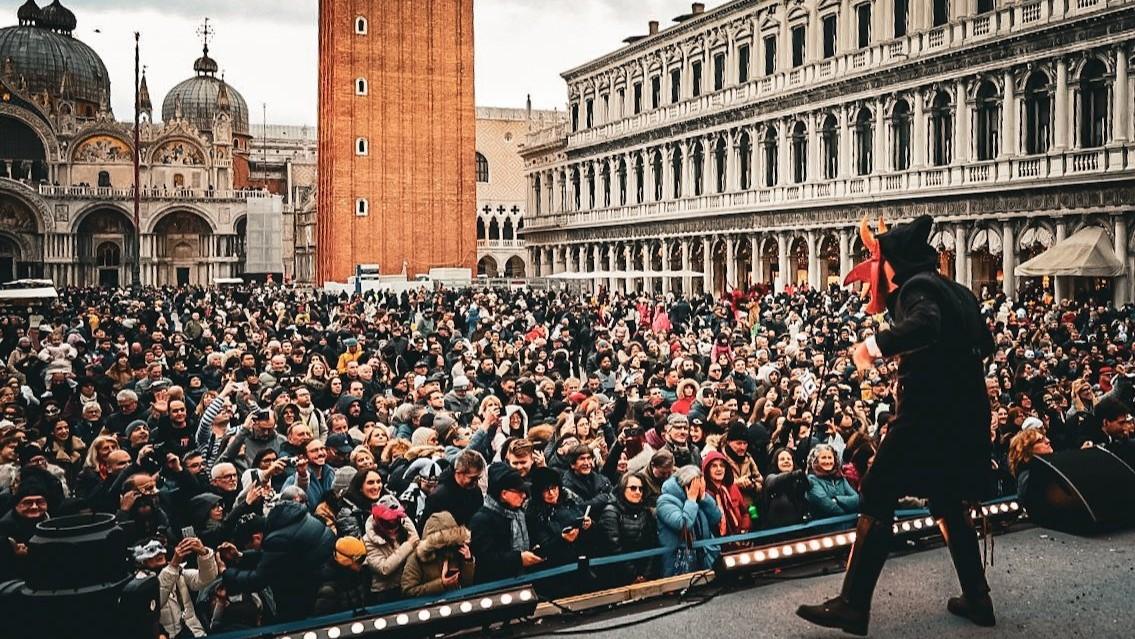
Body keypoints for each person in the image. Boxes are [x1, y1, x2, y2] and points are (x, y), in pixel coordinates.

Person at [798, 216, 997, 635]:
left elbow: (925, 324)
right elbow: (986, 343)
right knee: (946, 497)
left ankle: (853, 605)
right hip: (965, 413)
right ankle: (978, 599)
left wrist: (874, 345)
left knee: (877, 488)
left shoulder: (915, 287)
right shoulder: (959, 290)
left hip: (926, 414)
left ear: (893, 263)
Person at [222, 500, 335, 623]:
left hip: (319, 582)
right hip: (326, 564)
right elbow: (272, 557)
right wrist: (240, 556)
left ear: (256, 538)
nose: (254, 549)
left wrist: (226, 573)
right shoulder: (286, 522)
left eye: (251, 547)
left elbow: (259, 579)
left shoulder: (277, 540)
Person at [469, 462, 544, 584]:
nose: (524, 495)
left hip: (524, 579)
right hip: (497, 585)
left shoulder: (520, 513)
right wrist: (518, 559)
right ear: (504, 494)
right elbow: (486, 560)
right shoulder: (482, 520)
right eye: (519, 492)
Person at [133, 536, 219, 639]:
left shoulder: (178, 572)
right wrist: (173, 565)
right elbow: (158, 600)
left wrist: (204, 553)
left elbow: (206, 578)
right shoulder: (139, 583)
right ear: (142, 560)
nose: (159, 553)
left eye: (160, 548)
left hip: (194, 632)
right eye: (151, 551)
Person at [655, 465, 722, 577]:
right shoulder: (665, 501)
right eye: (695, 484)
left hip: (705, 555)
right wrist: (691, 500)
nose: (698, 488)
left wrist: (704, 497)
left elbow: (716, 518)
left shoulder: (699, 498)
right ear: (686, 485)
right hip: (679, 561)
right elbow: (683, 525)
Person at [597, 473, 658, 585]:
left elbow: (652, 543)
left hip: (646, 575)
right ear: (622, 489)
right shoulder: (611, 512)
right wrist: (633, 576)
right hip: (619, 577)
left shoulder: (645, 511)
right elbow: (614, 548)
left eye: (640, 489)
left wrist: (646, 574)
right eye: (633, 488)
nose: (638, 492)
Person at [401, 511, 476, 597]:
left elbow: (467, 584)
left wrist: (468, 561)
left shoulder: (456, 551)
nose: (445, 547)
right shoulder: (416, 558)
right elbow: (408, 591)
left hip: (456, 600)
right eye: (442, 543)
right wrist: (441, 584)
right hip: (430, 604)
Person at [363, 497, 420, 603]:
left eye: (396, 522)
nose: (393, 528)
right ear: (378, 521)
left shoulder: (403, 523)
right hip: (385, 592)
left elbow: (416, 541)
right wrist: (408, 546)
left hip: (408, 583)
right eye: (388, 524)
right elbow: (384, 569)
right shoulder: (367, 540)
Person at [804, 443, 860, 518]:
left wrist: (837, 499)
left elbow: (857, 499)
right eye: (823, 458)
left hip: (848, 521)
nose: (827, 461)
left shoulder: (840, 477)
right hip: (825, 523)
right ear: (816, 461)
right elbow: (829, 507)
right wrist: (848, 512)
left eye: (830, 458)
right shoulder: (812, 480)